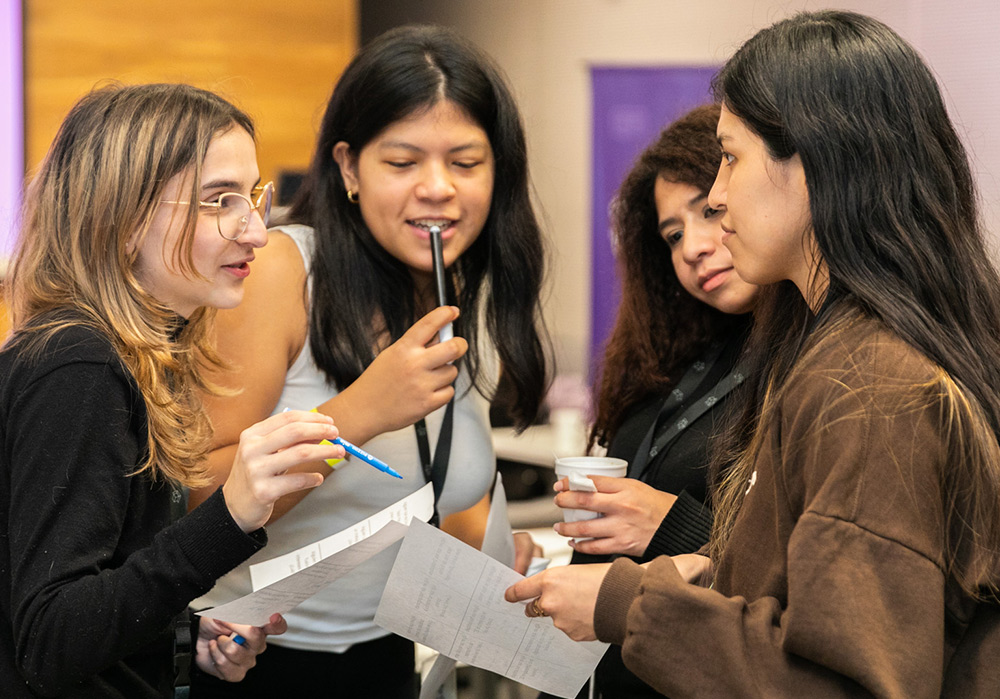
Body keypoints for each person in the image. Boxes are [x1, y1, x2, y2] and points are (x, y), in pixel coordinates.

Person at [508, 10, 1000, 697]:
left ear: (814, 160)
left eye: (731, 158)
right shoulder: (834, 355)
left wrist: (623, 604)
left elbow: (845, 681)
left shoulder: (869, 386)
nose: (717, 194)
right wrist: (703, 571)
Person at [188, 25, 548, 698]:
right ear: (350, 168)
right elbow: (195, 492)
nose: (438, 188)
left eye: (466, 163)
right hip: (251, 661)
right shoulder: (283, 271)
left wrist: (496, 556)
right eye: (403, 162)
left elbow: (436, 492)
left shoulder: (465, 301)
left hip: (387, 658)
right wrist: (356, 414)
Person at [0, 84, 348, 698]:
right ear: (124, 219)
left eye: (255, 197)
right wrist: (230, 515)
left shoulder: (129, 358)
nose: (258, 233)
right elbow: (50, 639)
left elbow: (96, 587)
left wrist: (181, 631)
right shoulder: (79, 368)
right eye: (220, 201)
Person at [542, 103, 756, 699]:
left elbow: (796, 582)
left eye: (710, 212)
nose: (692, 248)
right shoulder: (692, 350)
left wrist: (672, 526)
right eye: (673, 235)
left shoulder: (811, 366)